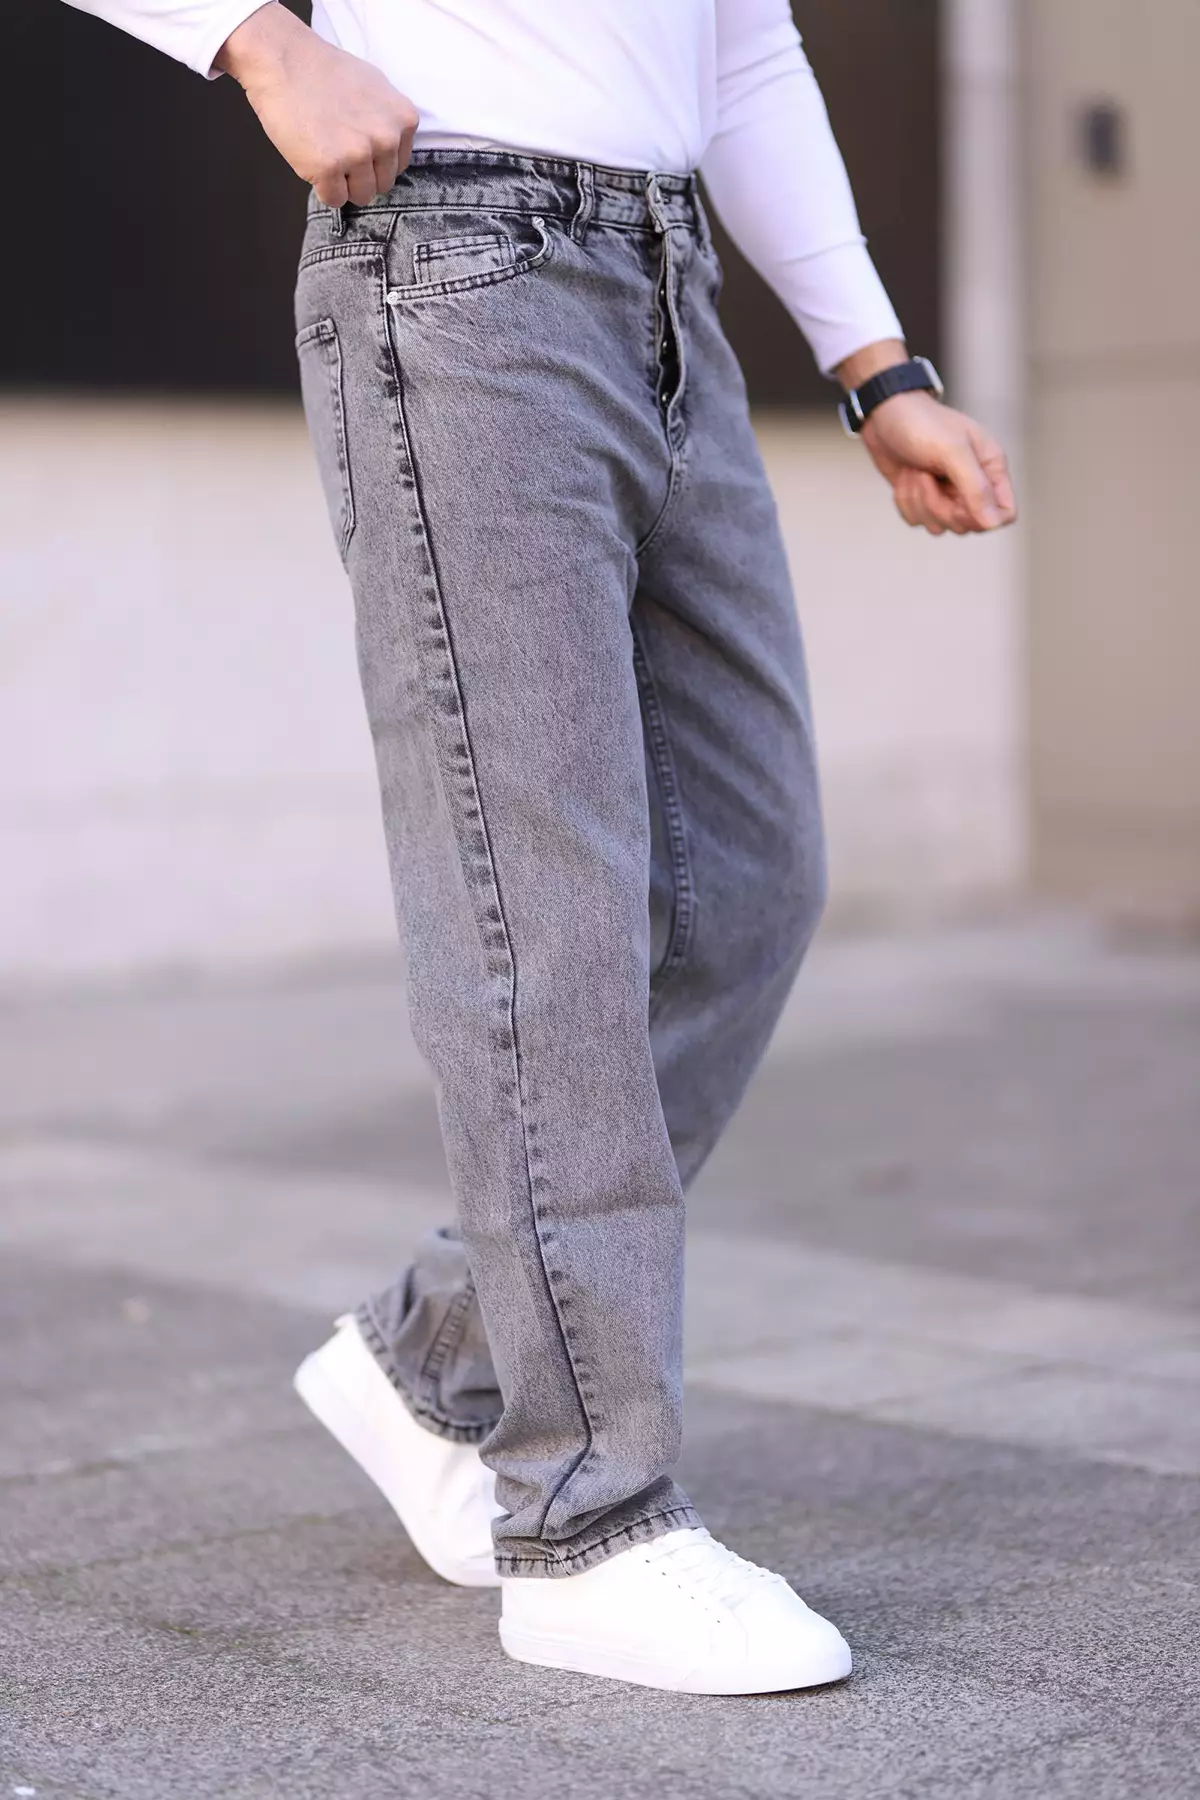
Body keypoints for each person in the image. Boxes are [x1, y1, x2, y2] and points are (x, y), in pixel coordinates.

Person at [70, 0, 1016, 1694]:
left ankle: (441, 1354)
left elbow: (746, 47)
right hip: (457, 265)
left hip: (666, 287)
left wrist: (877, 365)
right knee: (540, 914)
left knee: (748, 882)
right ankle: (590, 1520)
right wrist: (260, 41)